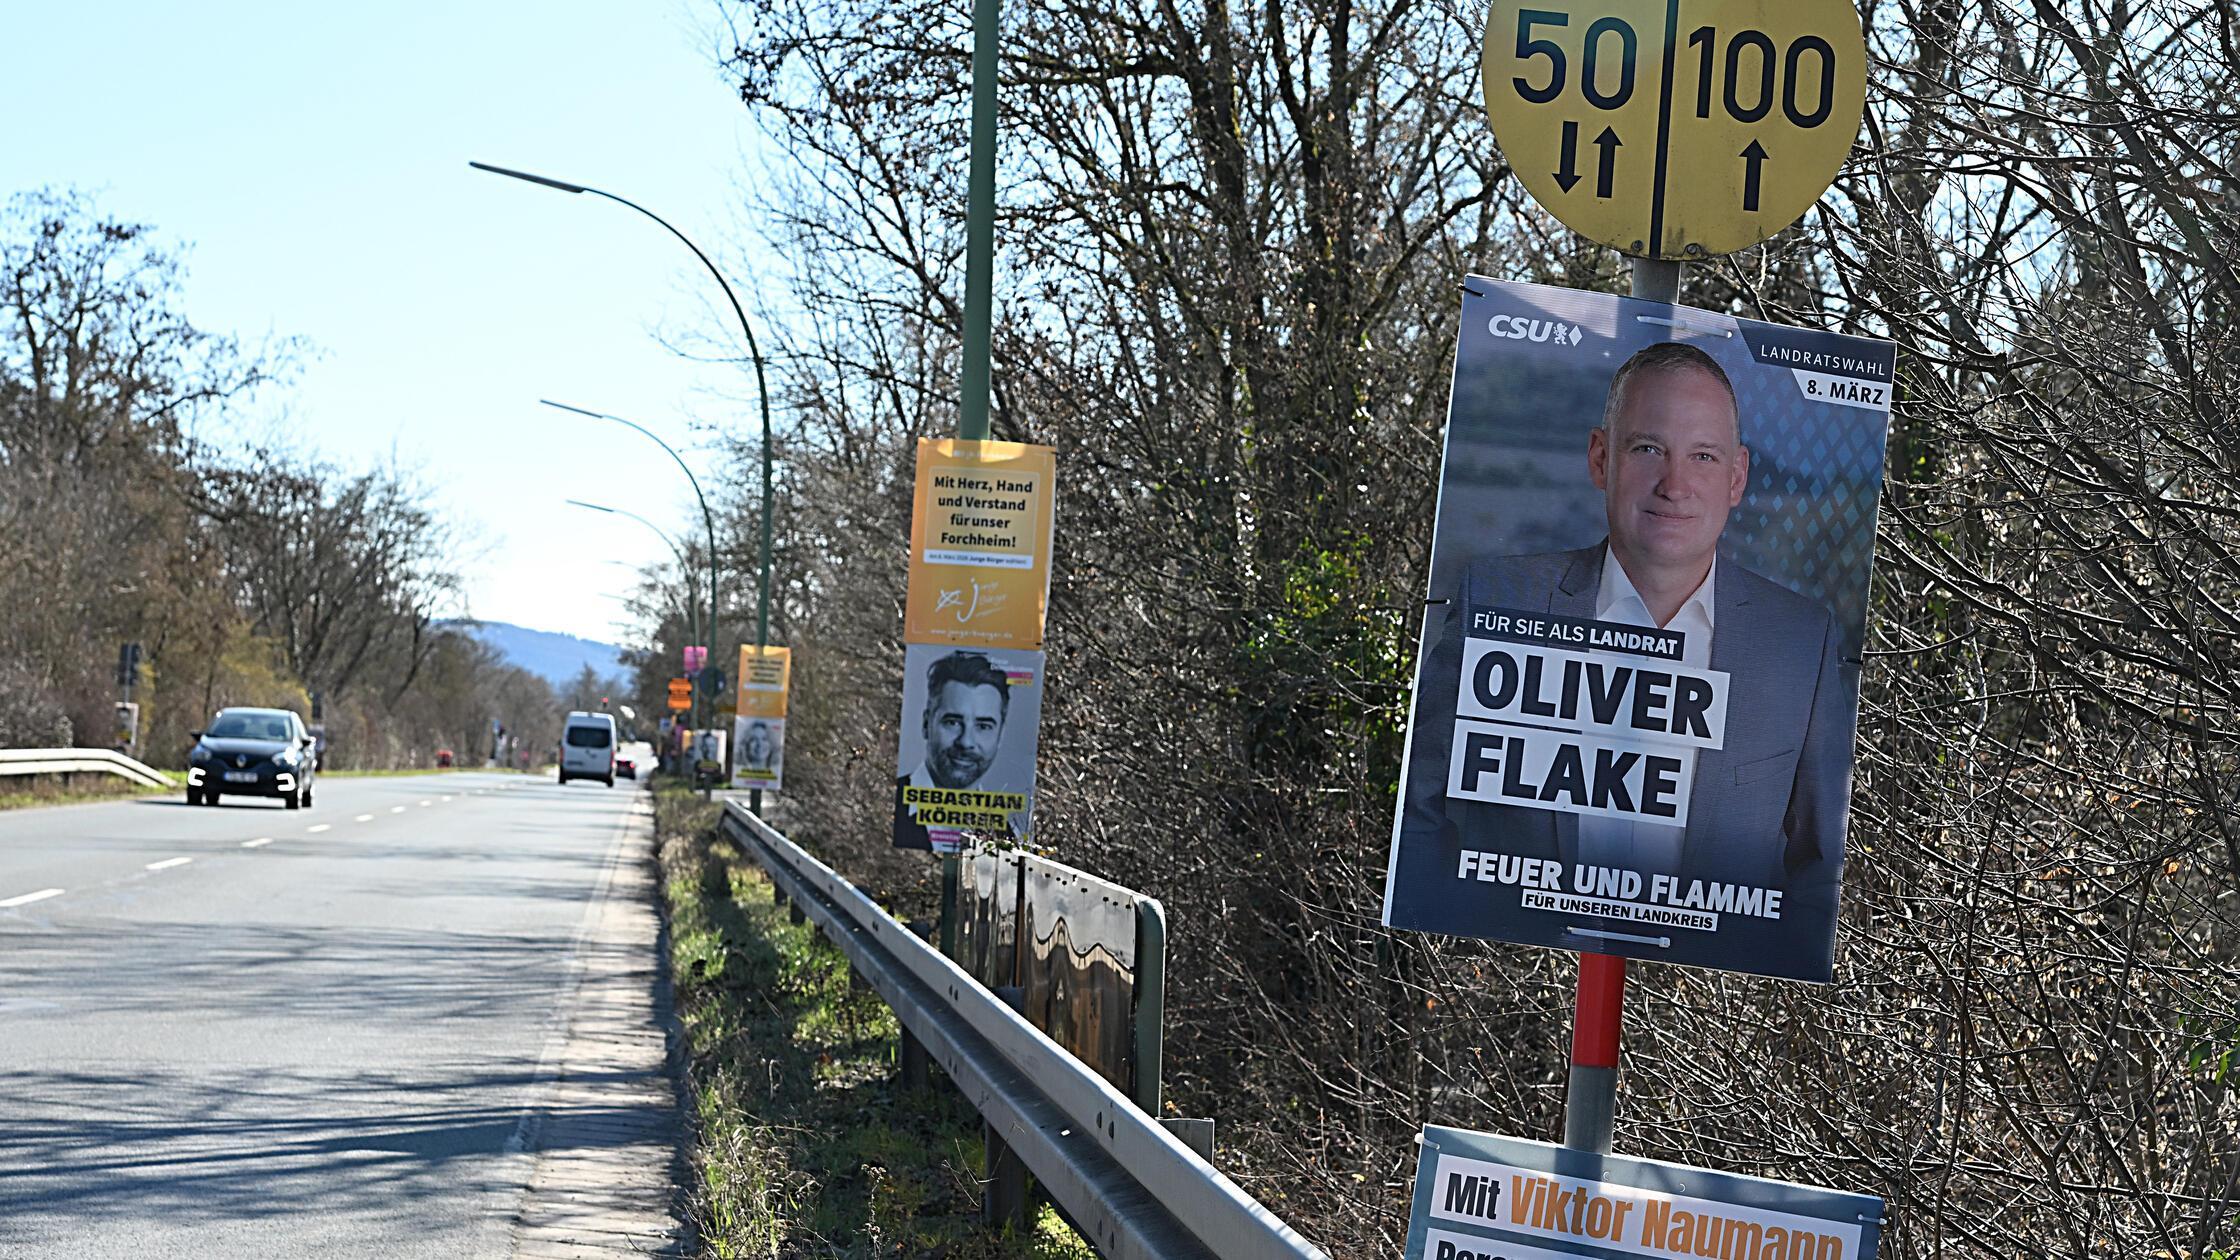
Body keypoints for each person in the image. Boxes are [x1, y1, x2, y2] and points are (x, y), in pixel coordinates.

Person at [1392, 341, 1854, 973]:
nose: (1675, 483)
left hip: (1709, 1012)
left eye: (1703, 455)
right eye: (1647, 449)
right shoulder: (1498, 600)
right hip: (1509, 986)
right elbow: (1420, 814)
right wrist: (1453, 955)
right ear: (1600, 457)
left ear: (1738, 476)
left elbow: (1818, 861)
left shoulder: (1802, 640)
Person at [894, 650, 1014, 849]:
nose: (966, 742)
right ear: (926, 724)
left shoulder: (1006, 832)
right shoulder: (889, 805)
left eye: (983, 726)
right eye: (952, 722)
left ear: (1000, 734)